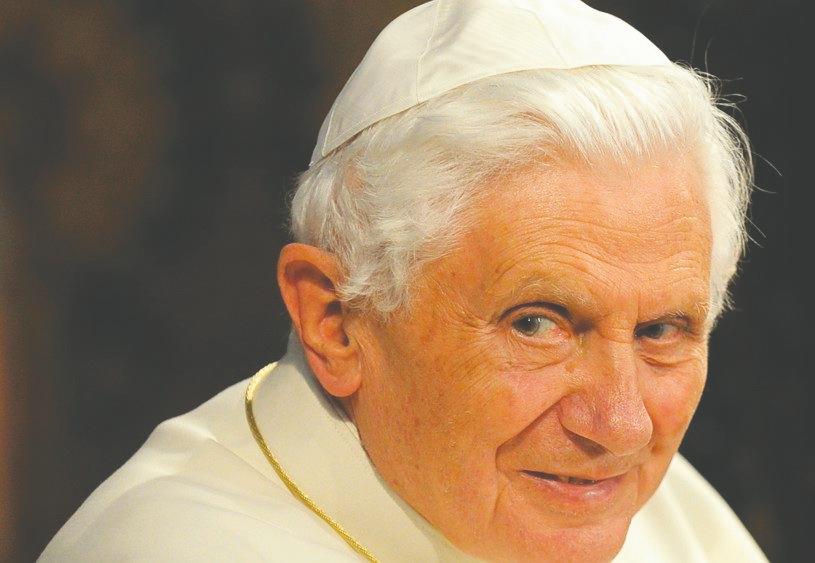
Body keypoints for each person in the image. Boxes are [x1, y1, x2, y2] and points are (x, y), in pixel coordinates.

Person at [41, 0, 768, 561]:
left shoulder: (669, 519)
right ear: (335, 319)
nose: (619, 425)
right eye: (536, 323)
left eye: (661, 331)